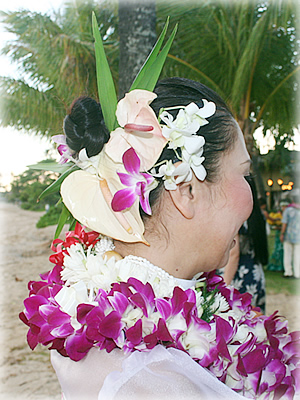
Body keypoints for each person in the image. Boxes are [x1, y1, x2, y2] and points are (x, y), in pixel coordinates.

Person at [20, 18, 300, 400]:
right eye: (244, 174)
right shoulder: (155, 383)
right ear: (186, 189)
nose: (251, 197)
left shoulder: (89, 309)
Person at [222, 178, 268, 313]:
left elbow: (234, 254)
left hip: (238, 276)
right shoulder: (258, 216)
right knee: (256, 322)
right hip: (256, 274)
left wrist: (223, 286)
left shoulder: (238, 217)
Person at [280, 195, 300, 278]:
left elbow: (285, 223)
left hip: (289, 235)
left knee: (287, 254)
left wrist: (282, 233)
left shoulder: (288, 210)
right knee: (297, 255)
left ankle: (288, 272)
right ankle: (297, 273)